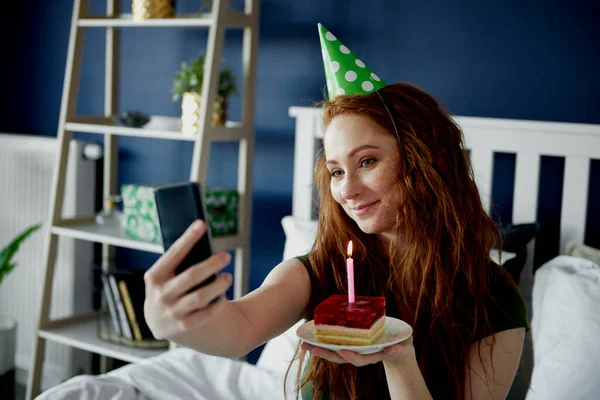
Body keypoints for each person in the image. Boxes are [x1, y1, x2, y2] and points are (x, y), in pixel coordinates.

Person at [143, 24, 528, 400]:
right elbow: (238, 328)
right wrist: (172, 322)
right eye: (337, 171)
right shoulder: (318, 272)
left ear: (424, 162)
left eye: (367, 161)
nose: (346, 189)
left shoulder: (494, 300)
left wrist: (398, 359)